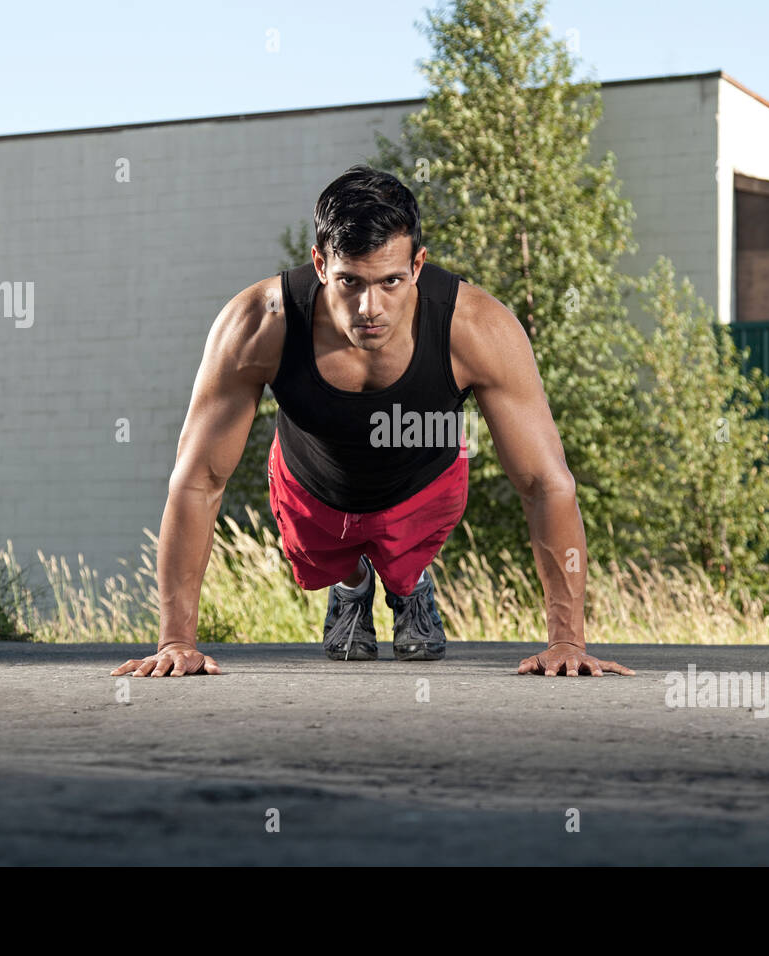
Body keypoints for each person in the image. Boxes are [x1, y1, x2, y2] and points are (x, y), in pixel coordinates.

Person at [111, 165, 634, 679]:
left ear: (419, 265)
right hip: (309, 487)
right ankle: (352, 582)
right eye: (349, 282)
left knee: (404, 564)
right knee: (332, 564)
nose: (370, 307)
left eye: (391, 282)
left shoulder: (476, 327)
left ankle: (410, 586)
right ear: (319, 264)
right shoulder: (258, 322)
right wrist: (176, 641)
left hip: (424, 485)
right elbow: (198, 477)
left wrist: (566, 641)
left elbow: (546, 482)